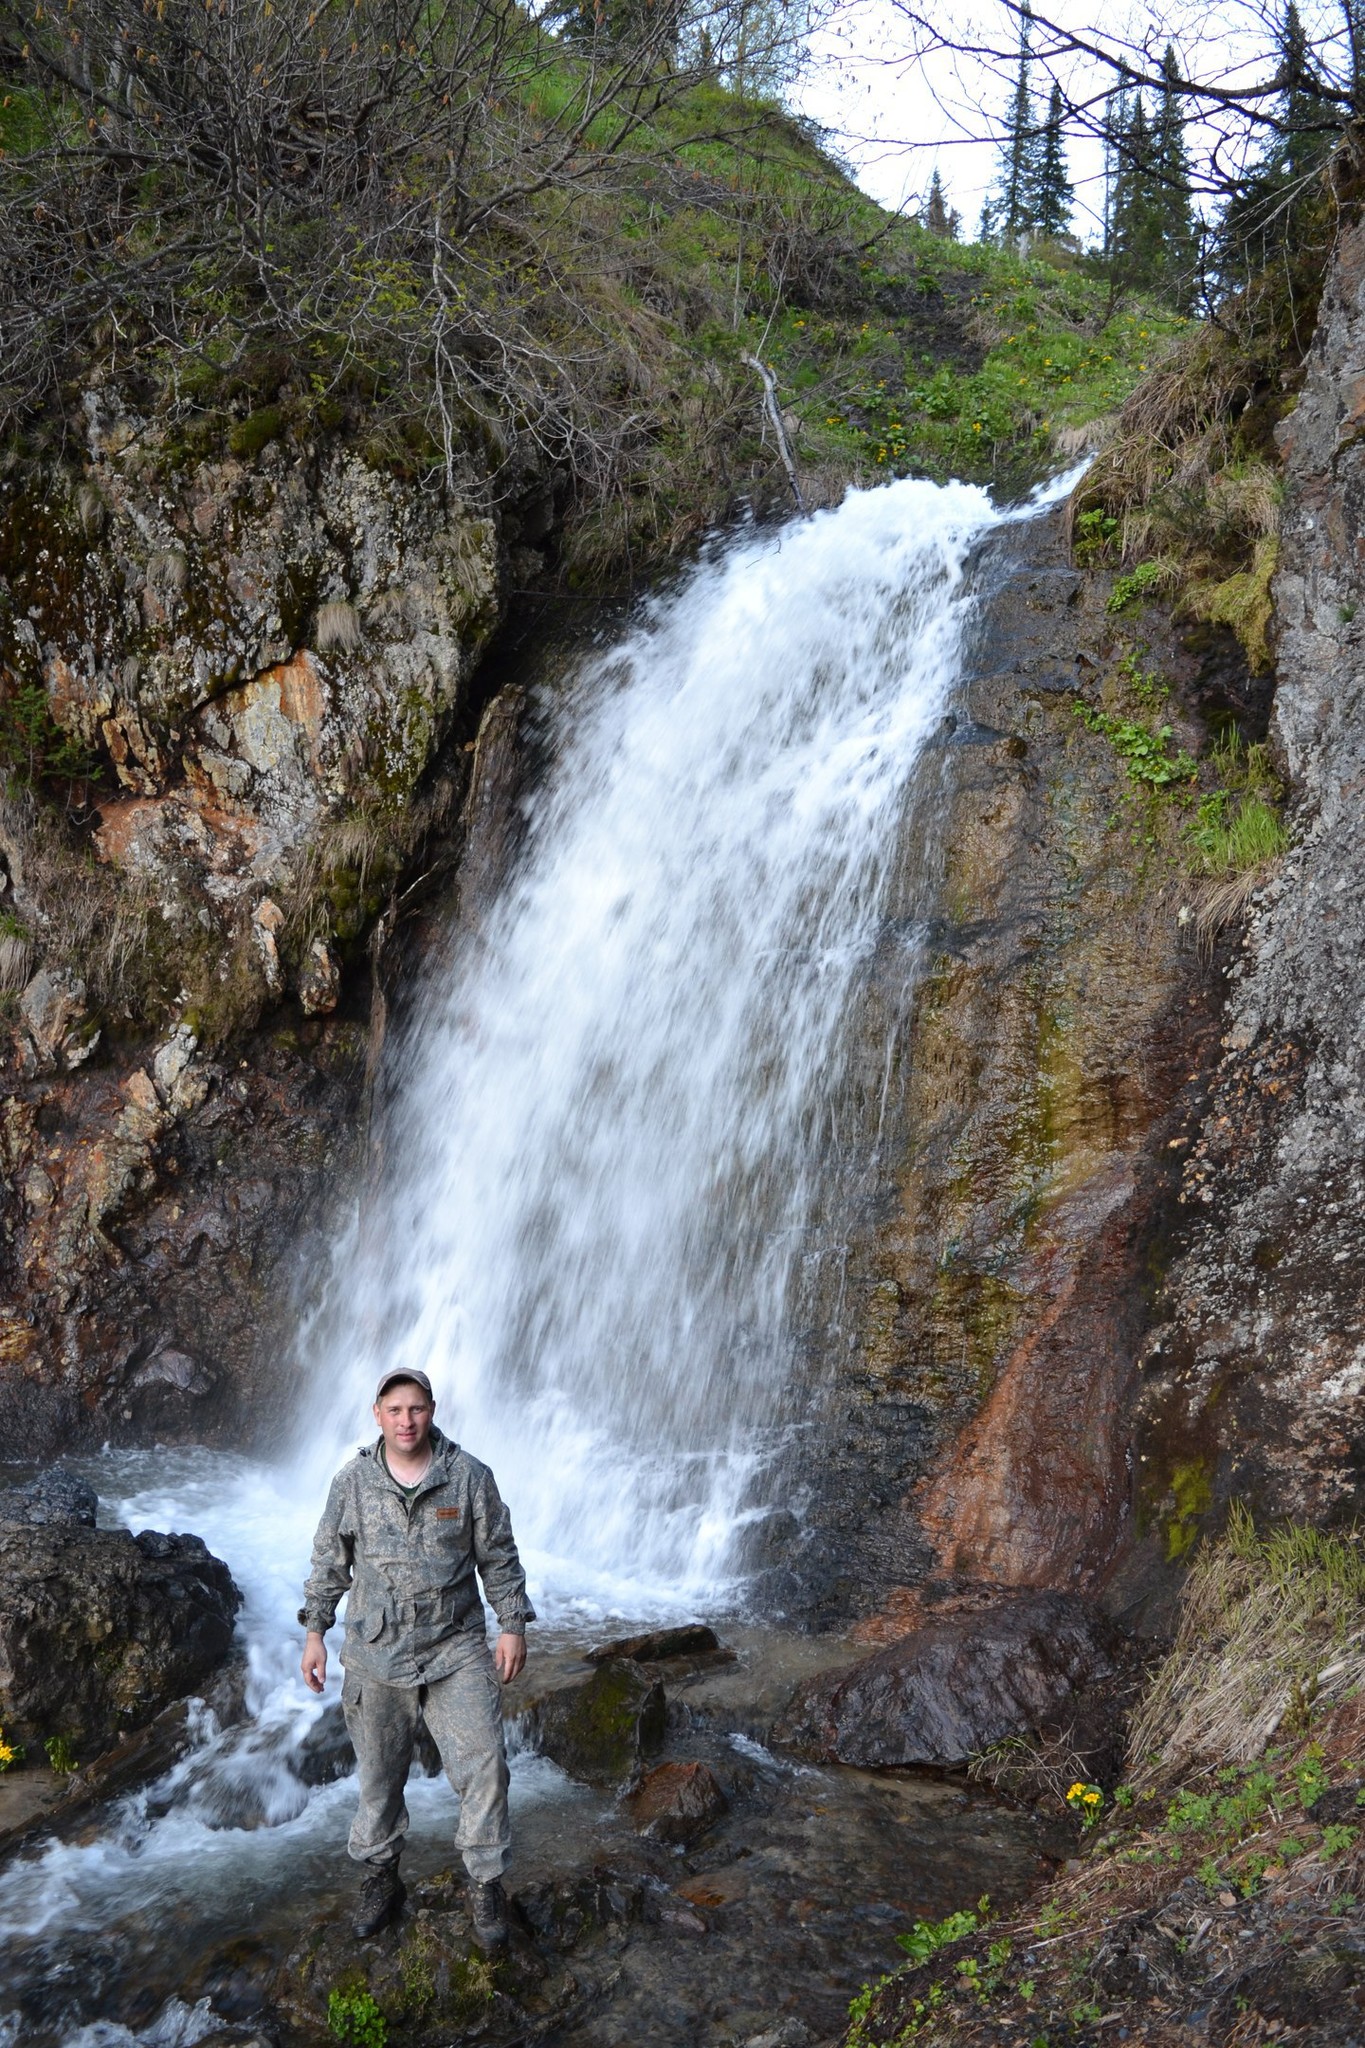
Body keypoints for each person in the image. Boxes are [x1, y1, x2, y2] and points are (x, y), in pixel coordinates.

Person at [299, 1369, 534, 1947]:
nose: (408, 1421)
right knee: (379, 1779)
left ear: (433, 1410)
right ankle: (381, 1879)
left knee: (486, 1769)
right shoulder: (352, 1482)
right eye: (396, 1410)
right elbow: (330, 1563)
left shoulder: (469, 1477)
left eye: (418, 1409)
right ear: (377, 1414)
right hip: (376, 1655)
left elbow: (498, 1558)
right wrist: (314, 1633)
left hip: (455, 1648)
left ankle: (485, 1886)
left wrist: (512, 1625)